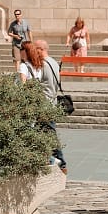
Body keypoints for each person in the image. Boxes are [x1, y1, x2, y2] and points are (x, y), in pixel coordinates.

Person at [34, 38, 67, 173]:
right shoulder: (54, 62)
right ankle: (50, 160)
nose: (33, 52)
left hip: (44, 103)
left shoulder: (43, 64)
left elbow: (38, 83)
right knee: (46, 132)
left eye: (35, 49)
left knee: (49, 132)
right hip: (52, 102)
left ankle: (61, 163)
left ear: (41, 50)